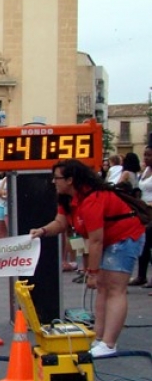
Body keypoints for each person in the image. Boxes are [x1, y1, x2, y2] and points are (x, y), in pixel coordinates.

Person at [30, 159, 145, 358]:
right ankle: (98, 337)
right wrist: (42, 231)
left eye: (56, 178)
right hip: (109, 240)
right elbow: (60, 223)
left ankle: (109, 343)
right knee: (103, 288)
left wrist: (91, 272)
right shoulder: (67, 199)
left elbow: (96, 241)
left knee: (115, 289)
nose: (53, 182)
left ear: (70, 180)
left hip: (125, 237)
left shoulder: (93, 199)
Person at [129, 145, 152, 288]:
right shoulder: (145, 171)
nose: (146, 158)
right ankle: (141, 275)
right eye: (145, 155)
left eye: (149, 155)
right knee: (144, 244)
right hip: (144, 212)